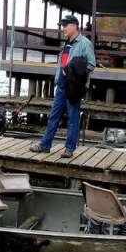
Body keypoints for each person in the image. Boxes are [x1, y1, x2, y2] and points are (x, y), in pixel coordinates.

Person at [30, 15, 95, 158]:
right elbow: (62, 64)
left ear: (74, 25)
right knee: (53, 116)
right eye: (62, 25)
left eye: (65, 25)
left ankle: (69, 149)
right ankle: (45, 145)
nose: (63, 28)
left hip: (74, 87)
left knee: (73, 118)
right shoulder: (66, 44)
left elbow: (91, 64)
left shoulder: (85, 43)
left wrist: (75, 74)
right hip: (61, 86)